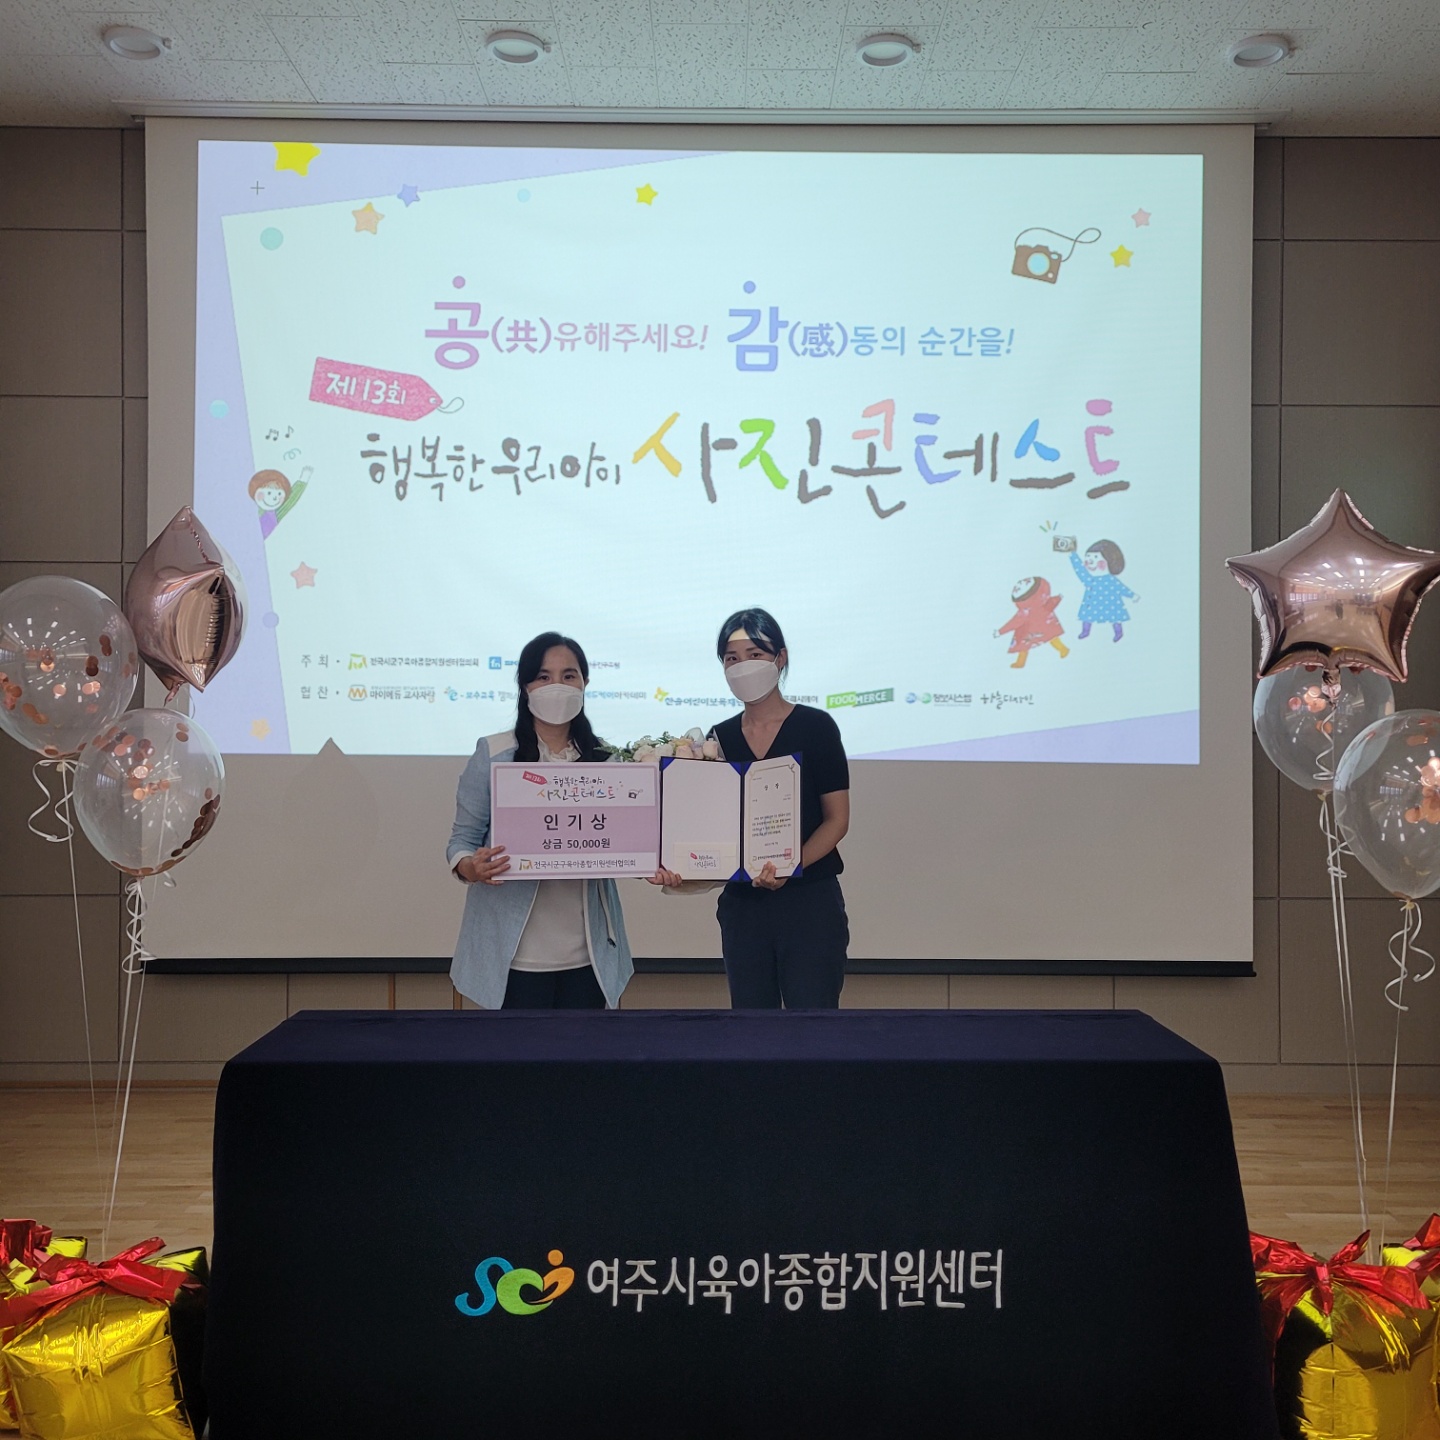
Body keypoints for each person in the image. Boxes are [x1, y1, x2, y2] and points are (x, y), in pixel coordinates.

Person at [658, 608, 850, 1009]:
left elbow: (837, 820)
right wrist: (679, 865)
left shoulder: (816, 727)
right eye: (732, 658)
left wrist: (790, 865)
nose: (743, 665)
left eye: (755, 654)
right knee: (750, 1028)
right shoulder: (718, 738)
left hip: (809, 902)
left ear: (780, 658)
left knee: (813, 1027)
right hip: (744, 908)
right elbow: (709, 825)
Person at [448, 632, 633, 1009]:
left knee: (585, 1049)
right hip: (512, 958)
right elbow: (462, 841)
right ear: (525, 685)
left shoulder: (607, 760)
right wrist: (471, 867)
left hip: (589, 957)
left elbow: (629, 843)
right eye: (544, 677)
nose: (557, 686)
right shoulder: (494, 753)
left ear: (584, 683)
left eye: (569, 676)